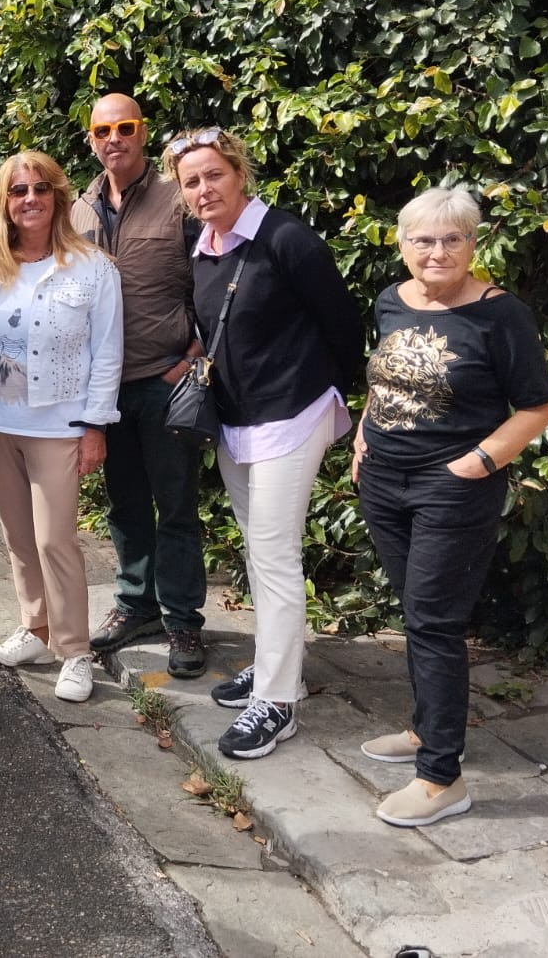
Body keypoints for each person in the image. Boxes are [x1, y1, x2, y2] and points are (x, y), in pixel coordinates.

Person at [353, 187, 548, 826]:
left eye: (452, 239)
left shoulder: (501, 316)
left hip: (452, 487)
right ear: (403, 244)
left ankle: (442, 779)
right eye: (423, 240)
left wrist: (481, 462)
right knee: (416, 613)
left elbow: (535, 406)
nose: (436, 252)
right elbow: (383, 378)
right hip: (384, 480)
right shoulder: (391, 300)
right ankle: (424, 731)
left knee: (435, 623)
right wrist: (363, 436)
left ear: (473, 244)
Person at [170, 127, 363, 760]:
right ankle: (279, 664)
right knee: (259, 551)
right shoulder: (202, 249)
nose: (204, 190)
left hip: (292, 414)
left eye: (213, 175)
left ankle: (277, 703)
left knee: (275, 554)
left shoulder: (286, 239)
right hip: (235, 421)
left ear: (239, 174)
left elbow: (343, 326)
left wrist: (331, 395)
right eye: (191, 181)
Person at [0, 151, 123, 703]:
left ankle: (75, 651)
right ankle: (35, 628)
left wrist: (95, 425)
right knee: (19, 537)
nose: (30, 199)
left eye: (41, 189)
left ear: (58, 196)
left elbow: (107, 353)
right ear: (4, 200)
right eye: (18, 190)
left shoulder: (92, 267)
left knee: (55, 540)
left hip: (59, 423)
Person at [70, 94, 208, 677]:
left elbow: (216, 279)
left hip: (165, 379)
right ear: (91, 139)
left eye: (125, 127)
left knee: (176, 504)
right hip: (106, 390)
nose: (114, 138)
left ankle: (182, 621)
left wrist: (195, 356)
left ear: (142, 133)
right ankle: (135, 604)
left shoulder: (180, 198)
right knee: (125, 503)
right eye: (103, 130)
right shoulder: (78, 210)